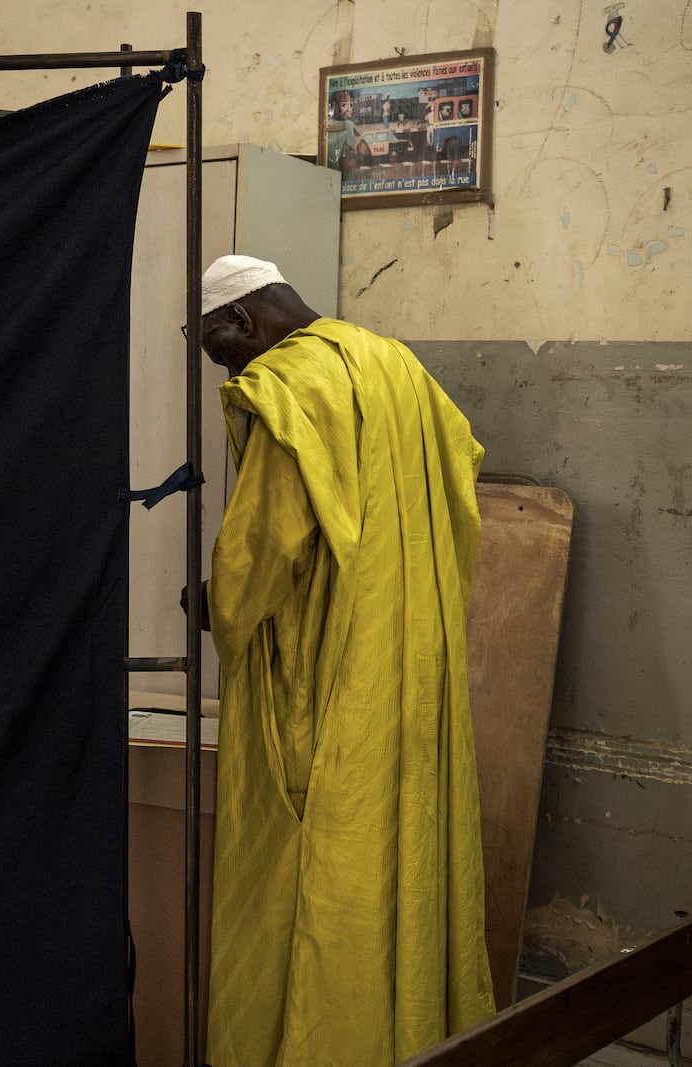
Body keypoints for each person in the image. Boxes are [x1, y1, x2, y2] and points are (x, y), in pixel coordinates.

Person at [191, 255, 495, 1066]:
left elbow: (264, 547)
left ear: (243, 321)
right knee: (403, 852)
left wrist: (212, 600)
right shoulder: (397, 364)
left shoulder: (295, 385)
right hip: (410, 662)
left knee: (321, 872)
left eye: (219, 349)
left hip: (333, 678)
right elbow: (460, 477)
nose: (228, 367)